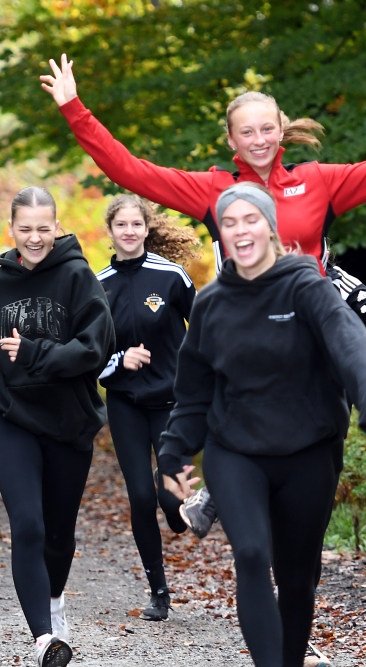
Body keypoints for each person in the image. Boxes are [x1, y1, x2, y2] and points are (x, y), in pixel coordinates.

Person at [41, 52, 366, 542]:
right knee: (235, 387)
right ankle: (222, 488)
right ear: (232, 140)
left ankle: (326, 430)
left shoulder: (320, 181)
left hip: (312, 318)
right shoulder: (216, 190)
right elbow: (132, 172)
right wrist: (75, 109)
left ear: (281, 131)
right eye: (247, 132)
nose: (258, 141)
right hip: (245, 321)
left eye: (267, 129)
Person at [158, 185, 366, 667]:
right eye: (230, 222)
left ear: (270, 227)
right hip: (236, 449)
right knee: (250, 553)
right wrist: (172, 454)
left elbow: (355, 352)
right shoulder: (211, 303)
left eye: (252, 219)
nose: (241, 230)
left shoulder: (308, 287)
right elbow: (194, 391)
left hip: (308, 450)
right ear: (221, 234)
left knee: (298, 577)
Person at [0, 186, 114, 667]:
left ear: (58, 227)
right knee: (27, 525)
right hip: (12, 420)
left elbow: (96, 347)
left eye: (44, 228)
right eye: (26, 229)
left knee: (59, 534)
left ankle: (55, 603)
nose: (35, 237)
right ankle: (45, 640)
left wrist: (37, 353)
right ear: (11, 230)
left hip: (68, 422)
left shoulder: (78, 277)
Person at [96, 194, 200, 621]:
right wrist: (120, 361)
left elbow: (206, 334)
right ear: (111, 231)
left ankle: (176, 509)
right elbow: (89, 358)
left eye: (136, 224)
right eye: (121, 225)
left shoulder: (172, 277)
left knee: (169, 494)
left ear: (146, 228)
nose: (129, 231)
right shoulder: (97, 286)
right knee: (140, 496)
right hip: (125, 404)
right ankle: (158, 590)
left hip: (172, 401)